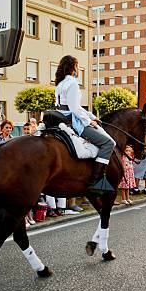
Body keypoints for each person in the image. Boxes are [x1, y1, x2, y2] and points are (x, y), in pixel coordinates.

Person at [54, 55, 115, 192]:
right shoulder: (72, 83)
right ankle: (96, 180)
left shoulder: (60, 83)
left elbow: (72, 106)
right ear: (73, 67)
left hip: (61, 117)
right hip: (72, 121)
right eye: (77, 65)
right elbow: (74, 109)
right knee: (109, 143)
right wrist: (89, 122)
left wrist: (92, 116)